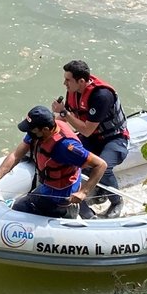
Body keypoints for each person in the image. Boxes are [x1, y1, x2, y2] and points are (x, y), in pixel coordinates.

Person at [0, 105, 107, 219]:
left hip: (60, 194)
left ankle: (68, 212)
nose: (29, 133)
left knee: (18, 209)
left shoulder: (66, 147)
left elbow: (100, 165)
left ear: (45, 129)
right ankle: (77, 211)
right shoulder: (37, 132)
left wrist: (83, 192)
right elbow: (16, 155)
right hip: (47, 186)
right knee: (33, 198)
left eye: (32, 130)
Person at [51, 60, 129, 218]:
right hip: (93, 138)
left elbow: (86, 130)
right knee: (69, 160)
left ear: (81, 81)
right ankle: (84, 205)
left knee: (103, 167)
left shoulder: (101, 96)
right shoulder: (73, 90)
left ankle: (116, 201)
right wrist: (50, 125)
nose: (64, 83)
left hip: (114, 138)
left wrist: (64, 112)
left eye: (68, 80)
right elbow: (66, 117)